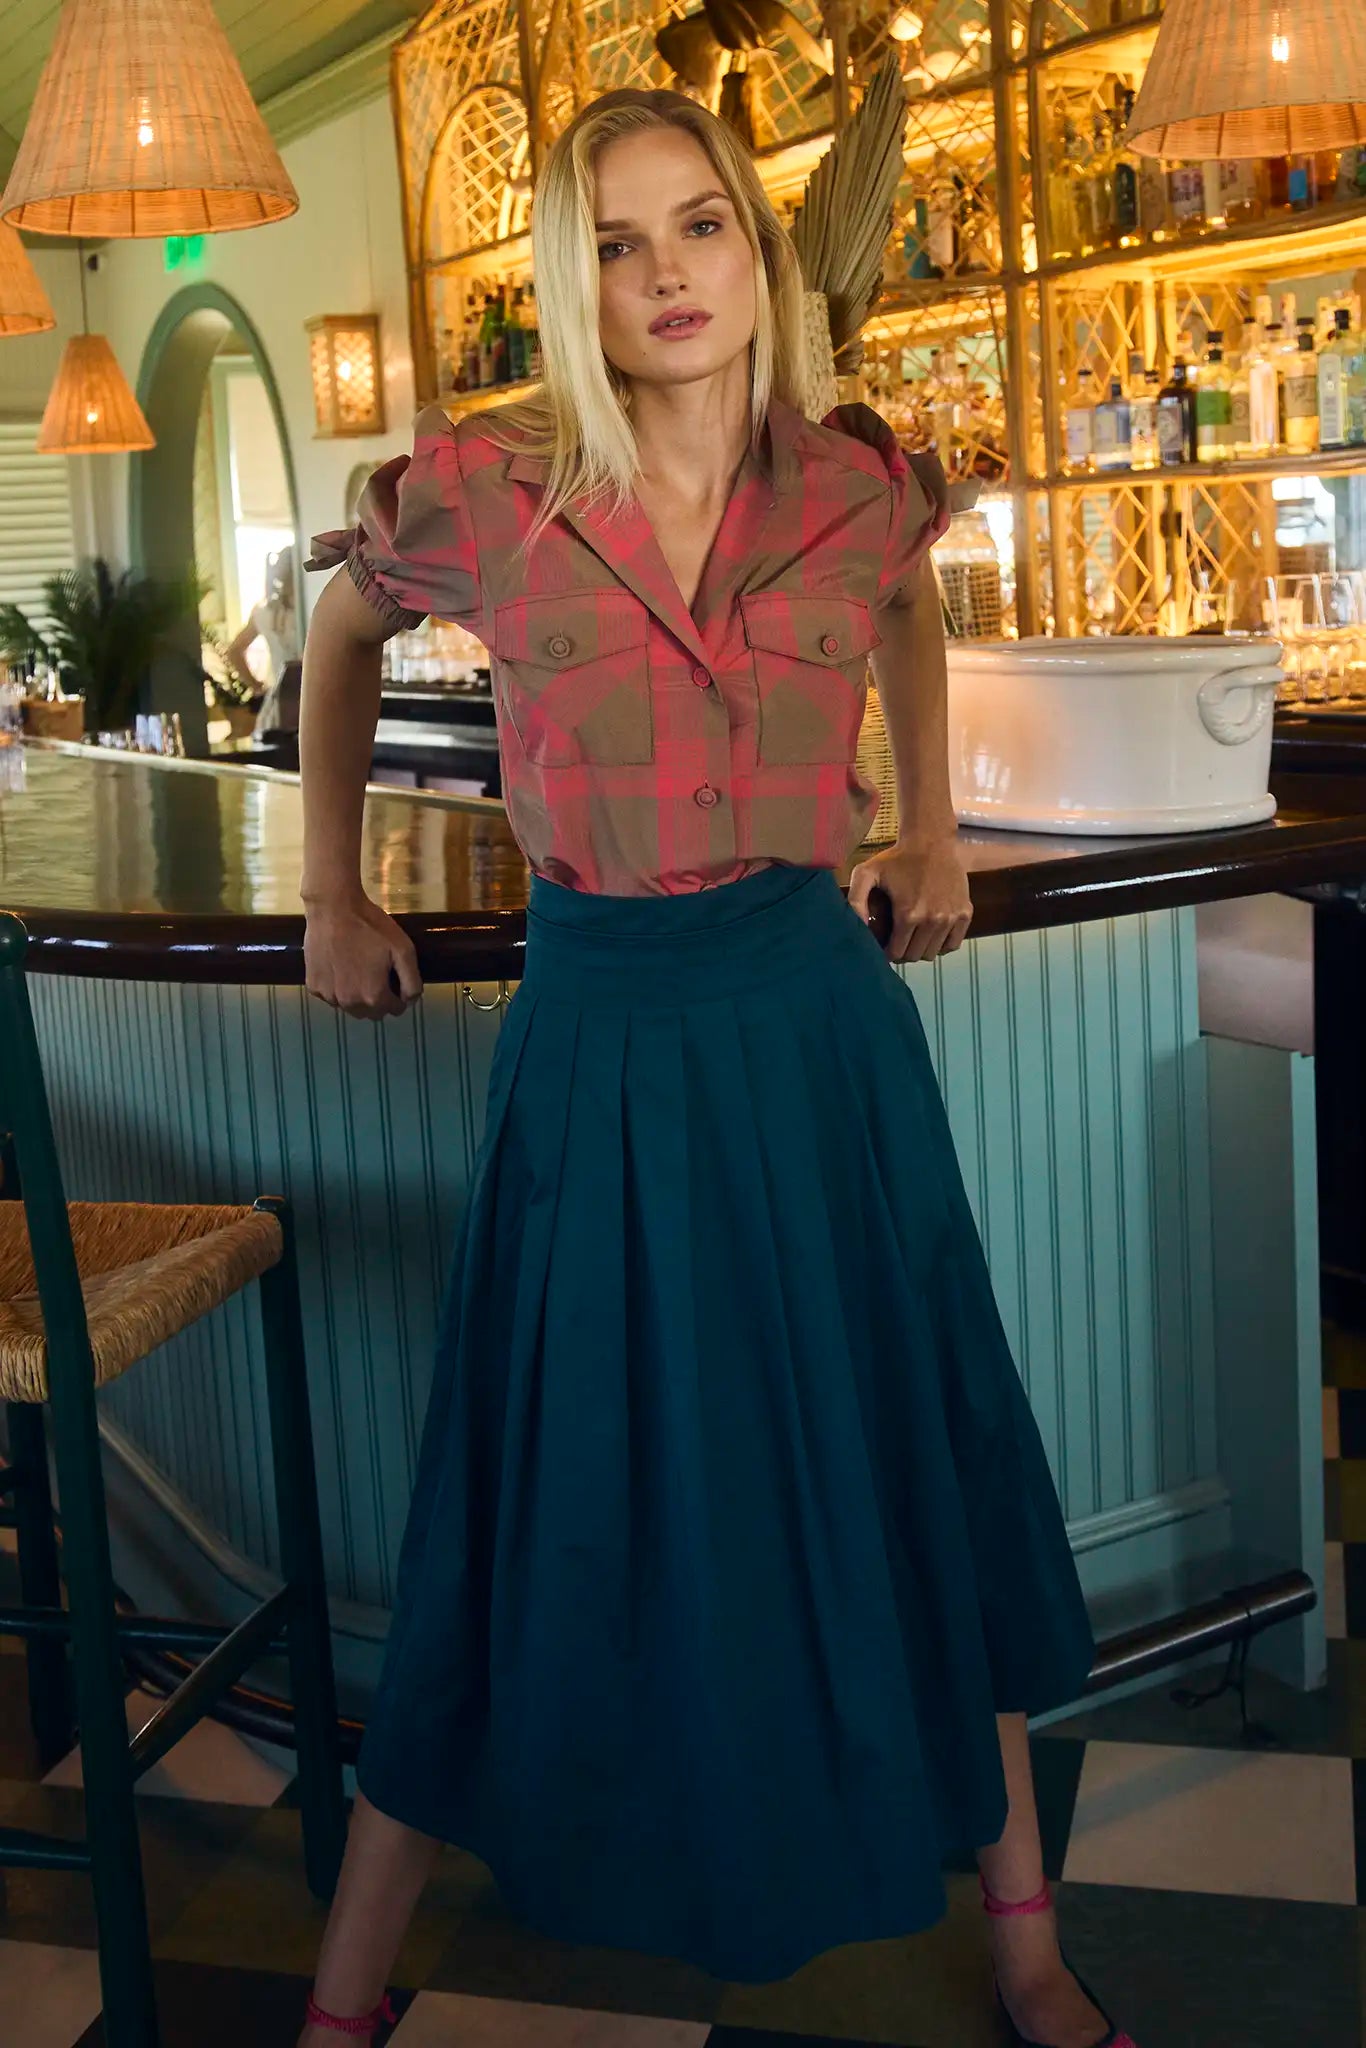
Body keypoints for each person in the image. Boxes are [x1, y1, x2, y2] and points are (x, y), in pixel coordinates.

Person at [296, 88, 1130, 2048]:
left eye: (699, 229)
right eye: (614, 239)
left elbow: (915, 608)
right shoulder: (476, 498)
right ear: (565, 282)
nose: (665, 274)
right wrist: (329, 888)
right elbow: (334, 637)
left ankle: (1018, 1944)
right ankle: (343, 1991)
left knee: (902, 1461)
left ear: (756, 259)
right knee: (529, 1490)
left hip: (819, 1045)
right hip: (593, 1046)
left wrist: (923, 826)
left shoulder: (854, 482)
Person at [222, 549, 302, 738]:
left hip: (278, 703)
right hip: (303, 701)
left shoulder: (264, 612)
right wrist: (257, 687)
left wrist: (257, 687)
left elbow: (234, 651)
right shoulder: (308, 609)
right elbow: (234, 652)